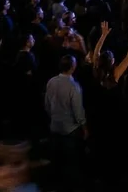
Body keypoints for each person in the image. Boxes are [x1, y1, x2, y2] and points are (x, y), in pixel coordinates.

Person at [44, 55, 85, 192]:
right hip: (70, 130)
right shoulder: (74, 86)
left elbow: (47, 104)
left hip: (54, 126)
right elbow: (78, 111)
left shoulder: (51, 82)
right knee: (70, 163)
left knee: (56, 161)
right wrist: (84, 126)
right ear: (73, 67)